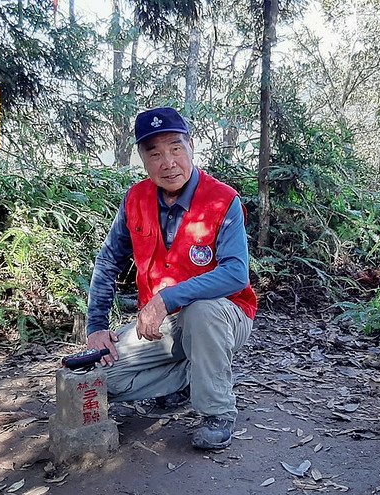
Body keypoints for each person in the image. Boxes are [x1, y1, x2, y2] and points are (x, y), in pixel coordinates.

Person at [86, 107, 257, 450]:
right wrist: (96, 326)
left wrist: (166, 299)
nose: (168, 162)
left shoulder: (223, 200)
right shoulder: (135, 199)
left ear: (191, 146)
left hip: (222, 317)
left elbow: (236, 274)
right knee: (100, 381)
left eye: (176, 148)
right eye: (155, 153)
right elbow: (108, 262)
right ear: (143, 159)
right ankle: (191, 378)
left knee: (201, 311)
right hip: (161, 327)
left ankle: (218, 411)